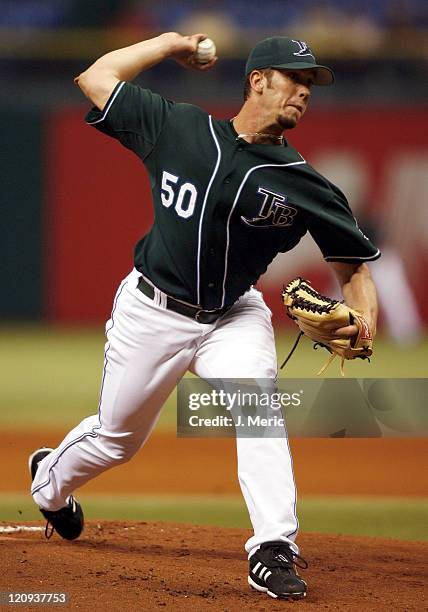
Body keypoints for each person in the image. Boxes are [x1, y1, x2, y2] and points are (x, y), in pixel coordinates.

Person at [29, 33, 379, 601]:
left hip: (232, 317)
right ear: (258, 80)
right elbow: (95, 78)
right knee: (117, 440)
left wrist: (361, 320)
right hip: (151, 311)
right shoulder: (179, 128)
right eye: (295, 78)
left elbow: (355, 271)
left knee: (258, 407)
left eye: (310, 84)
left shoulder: (306, 184)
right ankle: (50, 483)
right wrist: (170, 43)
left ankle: (273, 547)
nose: (304, 93)